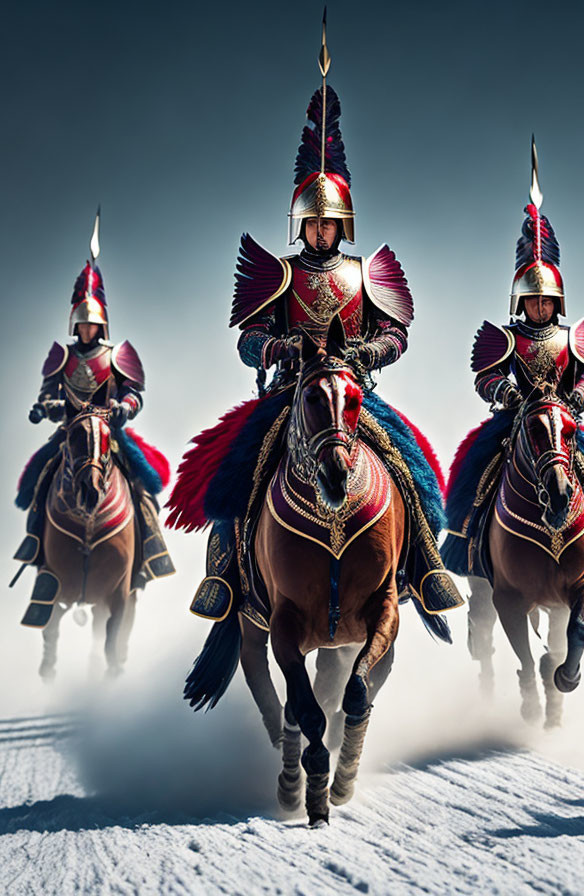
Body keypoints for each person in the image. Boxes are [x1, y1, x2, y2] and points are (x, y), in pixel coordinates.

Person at [169, 30, 460, 630]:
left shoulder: (364, 274)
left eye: (331, 224)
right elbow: (248, 336)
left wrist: (365, 349)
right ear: (302, 225)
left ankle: (426, 564)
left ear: (343, 226)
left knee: (410, 470)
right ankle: (223, 578)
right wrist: (277, 345)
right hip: (288, 394)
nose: (322, 232)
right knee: (237, 478)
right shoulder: (279, 275)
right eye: (315, 223)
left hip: (352, 394)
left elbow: (397, 336)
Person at [442, 139, 584, 595]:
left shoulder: (573, 338)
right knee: (477, 471)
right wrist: (506, 394)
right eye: (532, 298)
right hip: (514, 422)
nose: (540, 305)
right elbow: (486, 376)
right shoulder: (507, 338)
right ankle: (466, 542)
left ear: (558, 300)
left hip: (562, 420)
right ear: (520, 300)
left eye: (546, 298)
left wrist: (579, 397)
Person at [15, 213, 174, 614]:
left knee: (143, 485)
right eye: (81, 323)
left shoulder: (117, 354)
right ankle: (37, 551)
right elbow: (48, 391)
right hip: (71, 432)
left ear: (101, 322)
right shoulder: (61, 355)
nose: (86, 329)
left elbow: (135, 392)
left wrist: (124, 407)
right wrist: (47, 406)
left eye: (92, 323)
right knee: (38, 482)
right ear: (74, 321)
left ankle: (149, 553)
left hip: (109, 431)